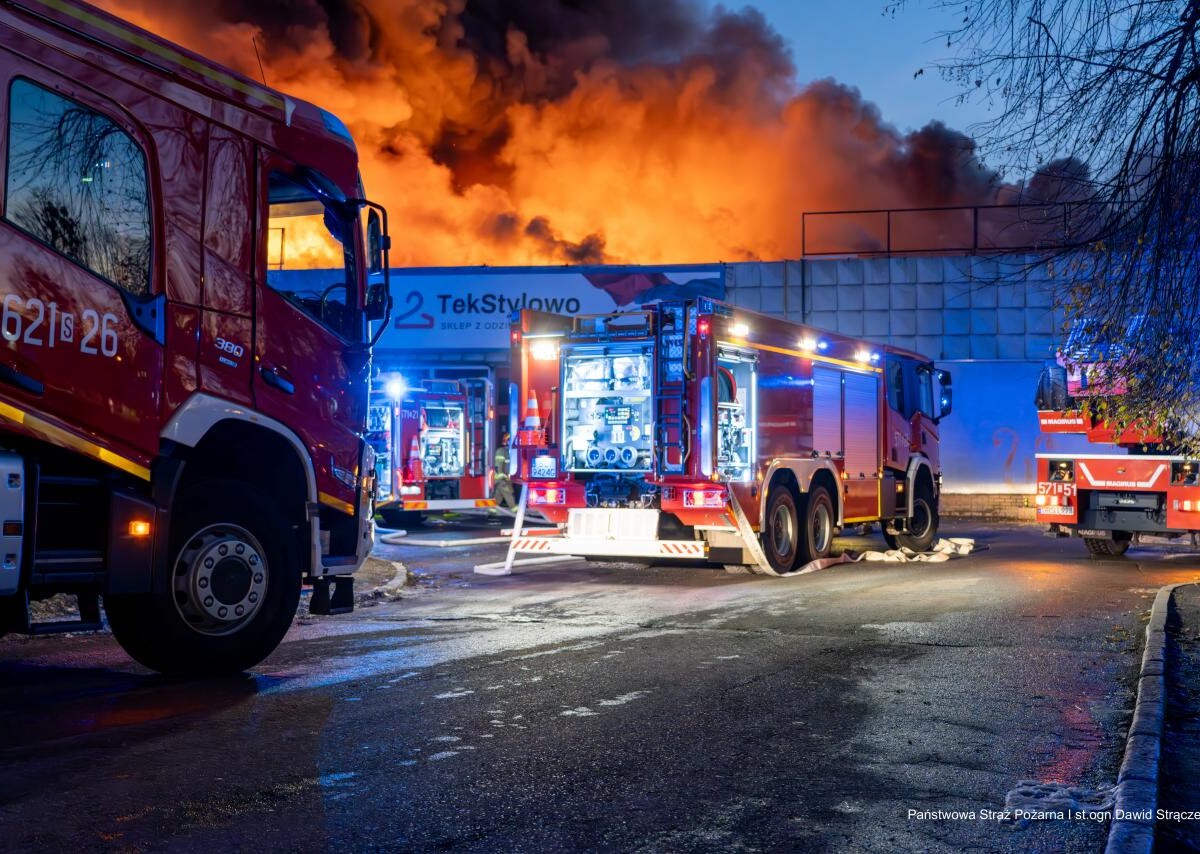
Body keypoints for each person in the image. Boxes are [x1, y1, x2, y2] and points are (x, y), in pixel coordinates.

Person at [492, 431, 517, 512]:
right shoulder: (501, 451)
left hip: (503, 477)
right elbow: (498, 465)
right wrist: (501, 475)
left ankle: (492, 510)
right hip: (501, 477)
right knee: (507, 491)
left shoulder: (506, 451)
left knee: (498, 495)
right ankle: (514, 508)